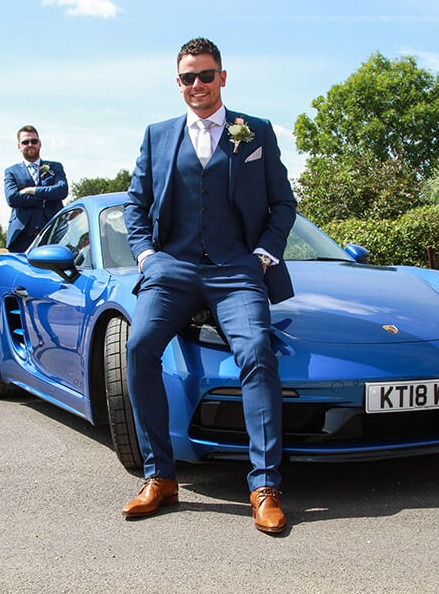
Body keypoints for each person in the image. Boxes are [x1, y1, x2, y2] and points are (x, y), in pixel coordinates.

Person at [122, 38, 297, 533]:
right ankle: (160, 477)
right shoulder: (157, 135)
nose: (196, 85)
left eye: (205, 75)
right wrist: (147, 256)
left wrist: (264, 253)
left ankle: (264, 485)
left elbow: (283, 203)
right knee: (139, 347)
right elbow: (137, 206)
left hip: (237, 268)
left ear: (223, 77)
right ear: (177, 82)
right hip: (172, 267)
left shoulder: (254, 132)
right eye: (186, 77)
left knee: (257, 353)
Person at [3, 125, 69, 253]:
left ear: (40, 144)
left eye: (34, 141)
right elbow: (12, 198)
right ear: (19, 146)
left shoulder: (55, 167)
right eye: (25, 142)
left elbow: (62, 190)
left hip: (53, 232)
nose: (30, 144)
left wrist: (32, 190)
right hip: (21, 236)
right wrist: (45, 199)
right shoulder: (11, 171)